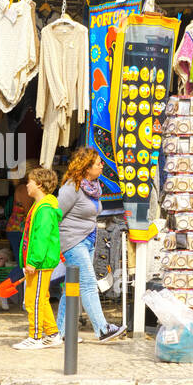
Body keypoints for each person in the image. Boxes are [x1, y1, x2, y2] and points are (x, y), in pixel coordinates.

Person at [56, 147, 126, 343]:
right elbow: (55, 215)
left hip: (88, 239)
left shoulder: (94, 188)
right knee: (88, 284)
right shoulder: (72, 188)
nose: (102, 165)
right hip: (73, 241)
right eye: (98, 163)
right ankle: (102, 329)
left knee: (72, 287)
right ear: (86, 167)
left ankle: (61, 331)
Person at [13, 166, 62, 350]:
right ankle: (52, 333)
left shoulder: (44, 210)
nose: (27, 185)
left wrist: (32, 262)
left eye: (30, 182)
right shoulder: (40, 207)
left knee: (33, 300)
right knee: (41, 299)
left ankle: (35, 337)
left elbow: (41, 238)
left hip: (40, 263)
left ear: (39, 185)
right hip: (38, 262)